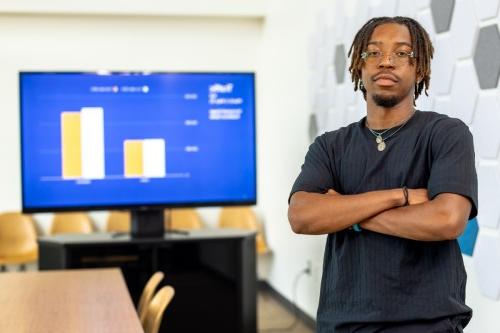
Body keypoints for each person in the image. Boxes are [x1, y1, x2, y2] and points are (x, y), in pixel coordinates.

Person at [288, 16, 478, 333]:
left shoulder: (446, 134)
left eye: (402, 53)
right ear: (359, 68)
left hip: (428, 323)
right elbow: (301, 216)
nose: (386, 61)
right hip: (344, 322)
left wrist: (346, 211)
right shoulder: (330, 146)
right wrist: (400, 196)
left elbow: (447, 220)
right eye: (373, 53)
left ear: (420, 70)